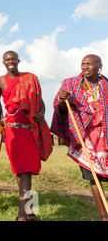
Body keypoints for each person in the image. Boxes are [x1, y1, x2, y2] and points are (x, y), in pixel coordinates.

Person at [0, 50, 53, 221]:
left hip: (30, 129)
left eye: (13, 59)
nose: (10, 61)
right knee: (21, 172)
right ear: (3, 62)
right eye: (7, 59)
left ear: (18, 61)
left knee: (29, 171)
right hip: (13, 130)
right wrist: (0, 117)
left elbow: (40, 102)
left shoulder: (30, 79)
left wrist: (41, 113)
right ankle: (30, 210)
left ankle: (25, 213)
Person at [51, 54, 108, 221]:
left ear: (99, 66)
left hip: (105, 136)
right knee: (93, 177)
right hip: (85, 138)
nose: (85, 67)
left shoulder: (105, 84)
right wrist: (62, 100)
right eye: (83, 64)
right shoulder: (70, 84)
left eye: (89, 64)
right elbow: (61, 111)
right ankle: (104, 216)